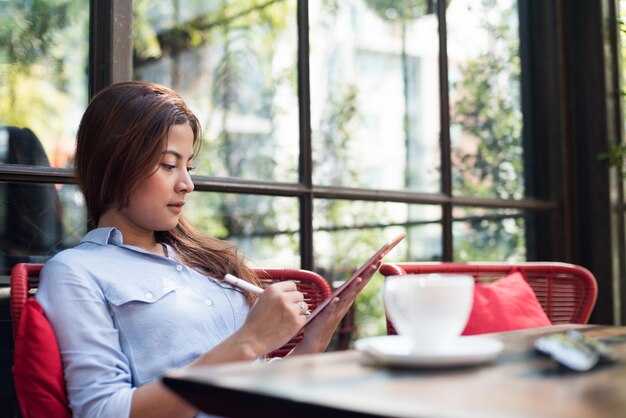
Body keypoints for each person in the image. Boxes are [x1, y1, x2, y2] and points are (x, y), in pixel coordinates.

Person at [35, 81, 367, 418]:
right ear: (115, 163)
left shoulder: (202, 261)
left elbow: (253, 387)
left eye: (188, 167)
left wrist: (311, 343)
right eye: (168, 165)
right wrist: (248, 341)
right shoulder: (77, 271)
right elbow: (104, 412)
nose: (187, 184)